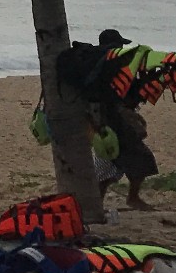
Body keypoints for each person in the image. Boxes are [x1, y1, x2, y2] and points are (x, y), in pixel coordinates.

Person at [57, 28, 158, 213]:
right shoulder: (108, 64)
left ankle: (109, 202)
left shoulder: (95, 64)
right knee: (135, 160)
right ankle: (129, 199)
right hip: (110, 121)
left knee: (111, 165)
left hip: (102, 121)